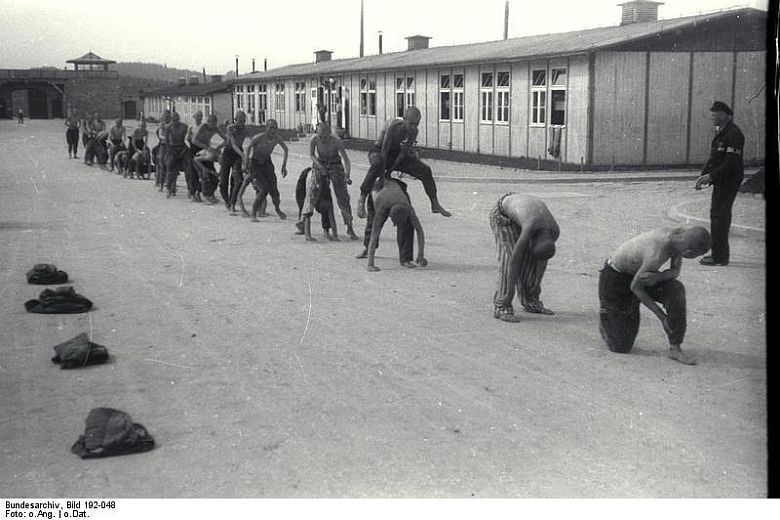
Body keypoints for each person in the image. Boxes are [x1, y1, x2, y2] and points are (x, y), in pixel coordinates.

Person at [598, 226, 712, 366]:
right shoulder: (656, 252)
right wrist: (662, 317)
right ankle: (607, 315)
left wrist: (659, 277)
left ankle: (674, 348)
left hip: (644, 276)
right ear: (689, 252)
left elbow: (675, 272)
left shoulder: (678, 240)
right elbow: (636, 287)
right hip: (617, 278)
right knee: (620, 346)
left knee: (676, 290)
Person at [357, 106, 450, 218]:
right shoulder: (393, 126)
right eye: (411, 124)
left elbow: (403, 153)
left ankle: (434, 203)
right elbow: (384, 151)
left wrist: (391, 170)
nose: (413, 127)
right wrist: (383, 176)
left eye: (416, 124)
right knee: (377, 164)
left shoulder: (414, 131)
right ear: (404, 119)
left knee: (425, 170)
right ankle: (362, 199)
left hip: (395, 153)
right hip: (378, 151)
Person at [489, 193, 560, 322]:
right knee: (508, 258)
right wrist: (509, 294)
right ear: (532, 240)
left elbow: (542, 259)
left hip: (523, 213)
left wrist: (537, 283)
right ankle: (502, 306)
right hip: (503, 214)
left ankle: (531, 301)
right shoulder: (530, 226)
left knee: (530, 260)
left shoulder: (554, 231)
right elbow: (514, 262)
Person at [694, 101, 745, 266]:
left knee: (720, 217)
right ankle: (718, 254)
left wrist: (711, 177)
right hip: (722, 179)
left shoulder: (734, 134)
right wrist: (704, 175)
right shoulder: (723, 132)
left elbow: (731, 163)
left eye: (714, 114)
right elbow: (715, 157)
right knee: (717, 215)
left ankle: (719, 257)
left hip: (729, 180)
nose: (711, 117)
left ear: (723, 115)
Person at [365, 177, 426, 272]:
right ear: (390, 215)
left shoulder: (407, 206)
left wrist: (420, 255)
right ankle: (367, 250)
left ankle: (405, 258)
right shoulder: (381, 206)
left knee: (408, 226)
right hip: (377, 189)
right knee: (372, 225)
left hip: (396, 189)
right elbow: (374, 234)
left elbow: (419, 230)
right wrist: (370, 264)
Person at [309, 122, 358, 239]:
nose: (322, 139)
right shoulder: (314, 140)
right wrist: (320, 167)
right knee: (317, 193)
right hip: (321, 164)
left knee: (343, 198)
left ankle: (349, 227)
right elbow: (312, 155)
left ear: (330, 134)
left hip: (335, 165)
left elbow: (346, 160)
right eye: (320, 137)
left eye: (325, 137)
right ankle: (309, 222)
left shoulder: (336, 141)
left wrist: (347, 175)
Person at [237, 118, 288, 221]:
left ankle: (277, 208)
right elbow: (248, 148)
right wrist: (246, 164)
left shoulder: (277, 138)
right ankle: (253, 213)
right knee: (263, 189)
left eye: (275, 128)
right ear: (266, 128)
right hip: (256, 164)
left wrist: (284, 166)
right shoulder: (259, 138)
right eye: (271, 128)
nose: (273, 131)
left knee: (274, 190)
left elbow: (286, 150)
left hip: (267, 163)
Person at [191, 114, 228, 204]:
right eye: (212, 123)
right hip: (197, 149)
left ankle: (210, 194)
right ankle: (198, 194)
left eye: (215, 122)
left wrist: (219, 146)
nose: (214, 125)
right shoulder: (203, 127)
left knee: (213, 175)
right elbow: (194, 140)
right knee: (202, 175)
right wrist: (207, 147)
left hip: (208, 151)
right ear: (208, 122)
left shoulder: (215, 128)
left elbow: (226, 140)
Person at [220, 111, 248, 209]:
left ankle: (232, 203)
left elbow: (240, 145)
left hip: (237, 155)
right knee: (223, 181)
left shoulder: (244, 129)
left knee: (236, 180)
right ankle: (227, 200)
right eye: (240, 121)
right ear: (235, 120)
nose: (242, 123)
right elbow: (233, 144)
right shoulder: (230, 128)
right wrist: (243, 155)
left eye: (244, 121)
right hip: (228, 153)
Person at [164, 112, 189, 198]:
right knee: (170, 166)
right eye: (174, 120)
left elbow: (187, 140)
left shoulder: (184, 127)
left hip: (182, 148)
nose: (175, 122)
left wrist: (184, 151)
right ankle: (168, 188)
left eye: (177, 120)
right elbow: (167, 142)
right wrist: (171, 151)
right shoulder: (169, 128)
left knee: (188, 167)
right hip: (172, 148)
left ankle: (190, 189)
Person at [185, 110, 204, 202]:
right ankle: (192, 193)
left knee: (202, 172)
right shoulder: (191, 127)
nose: (199, 118)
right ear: (194, 117)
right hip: (192, 150)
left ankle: (199, 192)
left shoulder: (203, 127)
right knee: (193, 173)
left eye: (201, 116)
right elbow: (187, 139)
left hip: (201, 150)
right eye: (198, 116)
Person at [155, 109, 172, 190]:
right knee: (161, 161)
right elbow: (160, 134)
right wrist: (167, 138)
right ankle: (160, 183)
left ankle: (172, 182)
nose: (166, 117)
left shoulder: (172, 124)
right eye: (165, 116)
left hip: (171, 145)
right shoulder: (162, 124)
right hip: (163, 144)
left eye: (168, 116)